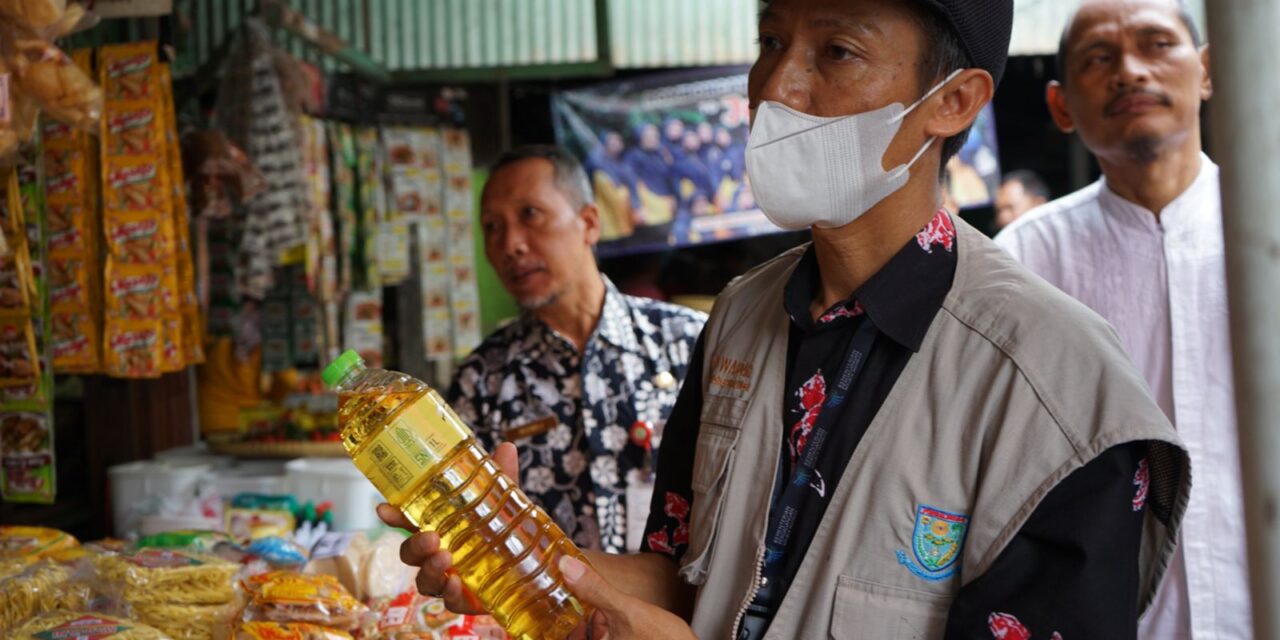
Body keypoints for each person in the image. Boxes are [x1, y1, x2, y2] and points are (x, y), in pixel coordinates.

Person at [383, 2, 1190, 638]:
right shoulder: (740, 316)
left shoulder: (1055, 386)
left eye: (836, 51)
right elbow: (690, 575)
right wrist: (522, 558)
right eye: (770, 41)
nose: (775, 86)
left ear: (952, 101)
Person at [995, 1, 1248, 637]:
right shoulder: (1023, 265)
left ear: (1208, 71)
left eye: (1157, 44)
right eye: (1099, 58)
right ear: (1061, 106)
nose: (1130, 71)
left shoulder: (1265, 230)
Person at [442, 145, 707, 554]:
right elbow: (466, 526)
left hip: (678, 594)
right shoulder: (481, 380)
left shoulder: (688, 341)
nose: (510, 244)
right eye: (492, 227)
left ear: (589, 223)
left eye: (530, 214)